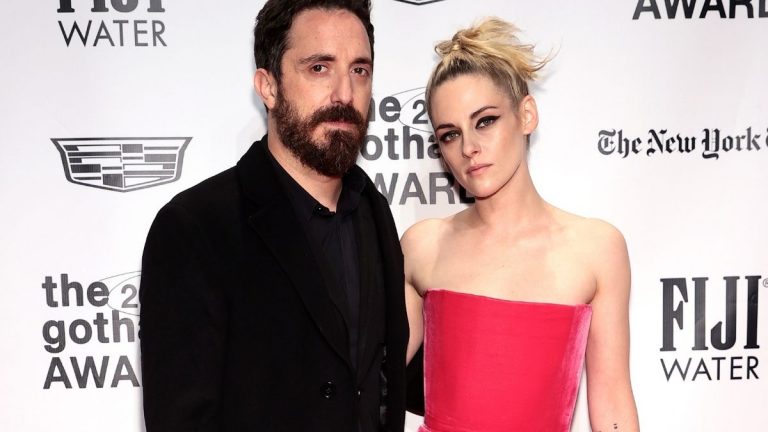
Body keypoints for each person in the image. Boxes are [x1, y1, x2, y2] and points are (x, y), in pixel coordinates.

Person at [138, 1, 409, 431]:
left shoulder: (374, 212)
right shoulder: (197, 227)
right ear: (268, 87)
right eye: (319, 68)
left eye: (359, 70)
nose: (344, 93)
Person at [402, 18, 640, 432]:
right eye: (450, 134)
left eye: (485, 121)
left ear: (526, 115)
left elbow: (613, 406)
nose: (469, 147)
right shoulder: (423, 245)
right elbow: (367, 383)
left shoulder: (596, 248)